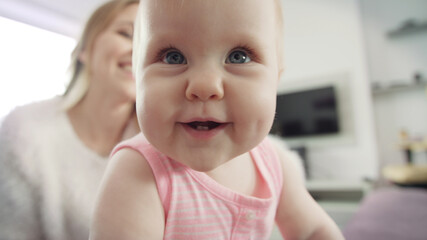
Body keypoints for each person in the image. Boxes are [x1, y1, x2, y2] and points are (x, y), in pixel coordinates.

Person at [90, 0, 345, 239]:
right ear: (137, 75)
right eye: (173, 57)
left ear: (275, 77)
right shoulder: (137, 171)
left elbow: (314, 231)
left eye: (239, 56)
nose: (204, 85)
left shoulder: (273, 164)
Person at [0, 0, 139, 239]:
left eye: (150, 41)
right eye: (126, 34)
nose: (139, 50)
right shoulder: (25, 132)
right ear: (85, 49)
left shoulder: (163, 146)